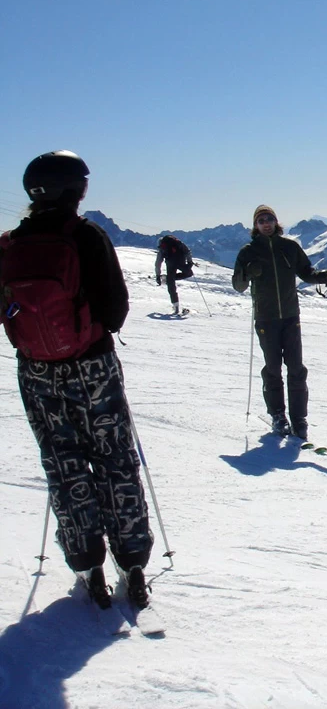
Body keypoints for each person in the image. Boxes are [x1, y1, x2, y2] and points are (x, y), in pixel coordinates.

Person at [0, 150, 153, 610]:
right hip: (93, 367)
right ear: (76, 190)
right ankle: (132, 560)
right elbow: (115, 310)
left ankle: (87, 562)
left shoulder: (9, 244)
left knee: (63, 464)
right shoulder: (85, 235)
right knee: (114, 459)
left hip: (36, 372)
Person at [232, 205, 327, 439]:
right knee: (273, 369)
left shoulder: (289, 247)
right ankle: (278, 415)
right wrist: (248, 272)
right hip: (265, 319)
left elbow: (305, 271)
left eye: (269, 219)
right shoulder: (248, 252)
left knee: (296, 368)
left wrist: (319, 277)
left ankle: (299, 418)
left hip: (290, 316)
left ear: (276, 222)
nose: (266, 223)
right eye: (261, 220)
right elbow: (238, 285)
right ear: (255, 225)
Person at [154, 234, 194, 315]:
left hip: (170, 265)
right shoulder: (177, 243)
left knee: (171, 285)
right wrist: (190, 262)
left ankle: (176, 307)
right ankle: (169, 278)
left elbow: (158, 263)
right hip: (181, 262)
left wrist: (158, 275)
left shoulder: (162, 248)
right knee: (189, 273)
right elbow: (187, 251)